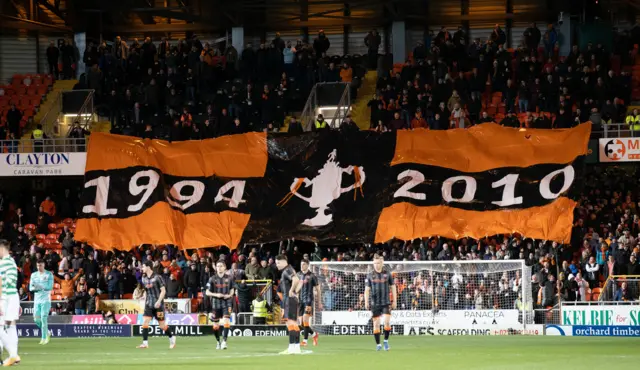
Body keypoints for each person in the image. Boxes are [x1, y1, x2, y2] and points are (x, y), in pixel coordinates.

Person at [138, 260, 175, 349]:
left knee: (162, 326)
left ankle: (172, 337)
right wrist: (144, 298)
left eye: (143, 266)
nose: (141, 268)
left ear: (148, 267)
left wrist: (158, 301)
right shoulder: (144, 278)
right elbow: (146, 291)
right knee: (145, 322)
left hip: (158, 305)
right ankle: (145, 343)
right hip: (149, 305)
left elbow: (163, 291)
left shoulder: (158, 277)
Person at [364, 254, 396, 351]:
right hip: (375, 303)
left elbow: (393, 287)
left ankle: (385, 341)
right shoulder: (370, 275)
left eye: (378, 263)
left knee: (386, 321)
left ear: (382, 263)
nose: (376, 265)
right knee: (376, 324)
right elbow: (367, 290)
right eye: (375, 263)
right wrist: (366, 301)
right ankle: (378, 344)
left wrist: (394, 300)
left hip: (386, 302)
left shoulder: (387, 274)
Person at [276, 254, 302, 355]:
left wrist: (292, 291)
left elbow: (296, 280)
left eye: (278, 263)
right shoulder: (290, 269)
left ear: (283, 261)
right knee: (294, 324)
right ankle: (296, 347)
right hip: (291, 299)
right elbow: (299, 282)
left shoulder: (287, 270)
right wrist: (296, 292)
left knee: (290, 323)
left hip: (289, 300)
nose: (277, 265)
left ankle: (291, 348)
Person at [205, 261, 235, 350]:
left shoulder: (230, 278)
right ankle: (218, 341)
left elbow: (232, 290)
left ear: (225, 267)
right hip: (215, 303)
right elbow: (207, 292)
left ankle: (224, 342)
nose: (219, 268)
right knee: (215, 325)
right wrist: (216, 295)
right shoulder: (212, 279)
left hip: (227, 303)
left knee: (226, 321)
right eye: (218, 266)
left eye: (221, 266)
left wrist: (229, 295)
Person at [0, 240, 21, 365]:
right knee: (11, 325)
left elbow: (0, 282)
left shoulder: (2, 263)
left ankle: (13, 354)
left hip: (5, 297)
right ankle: (14, 356)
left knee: (1, 327)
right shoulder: (12, 262)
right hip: (14, 295)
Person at [28, 259, 54, 345]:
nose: (39, 267)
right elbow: (30, 288)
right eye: (38, 266)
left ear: (44, 265)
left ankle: (43, 338)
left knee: (43, 318)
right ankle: (47, 332)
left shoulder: (49, 274)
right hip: (37, 300)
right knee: (36, 319)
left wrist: (40, 286)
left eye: (41, 265)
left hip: (46, 300)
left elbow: (50, 287)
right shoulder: (33, 275)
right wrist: (36, 288)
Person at [297, 259, 320, 347]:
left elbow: (318, 289)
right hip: (300, 301)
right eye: (301, 264)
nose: (301, 266)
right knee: (301, 323)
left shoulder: (312, 276)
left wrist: (319, 301)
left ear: (307, 265)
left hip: (308, 301)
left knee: (306, 320)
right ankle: (314, 334)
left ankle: (305, 341)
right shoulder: (298, 275)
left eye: (303, 264)